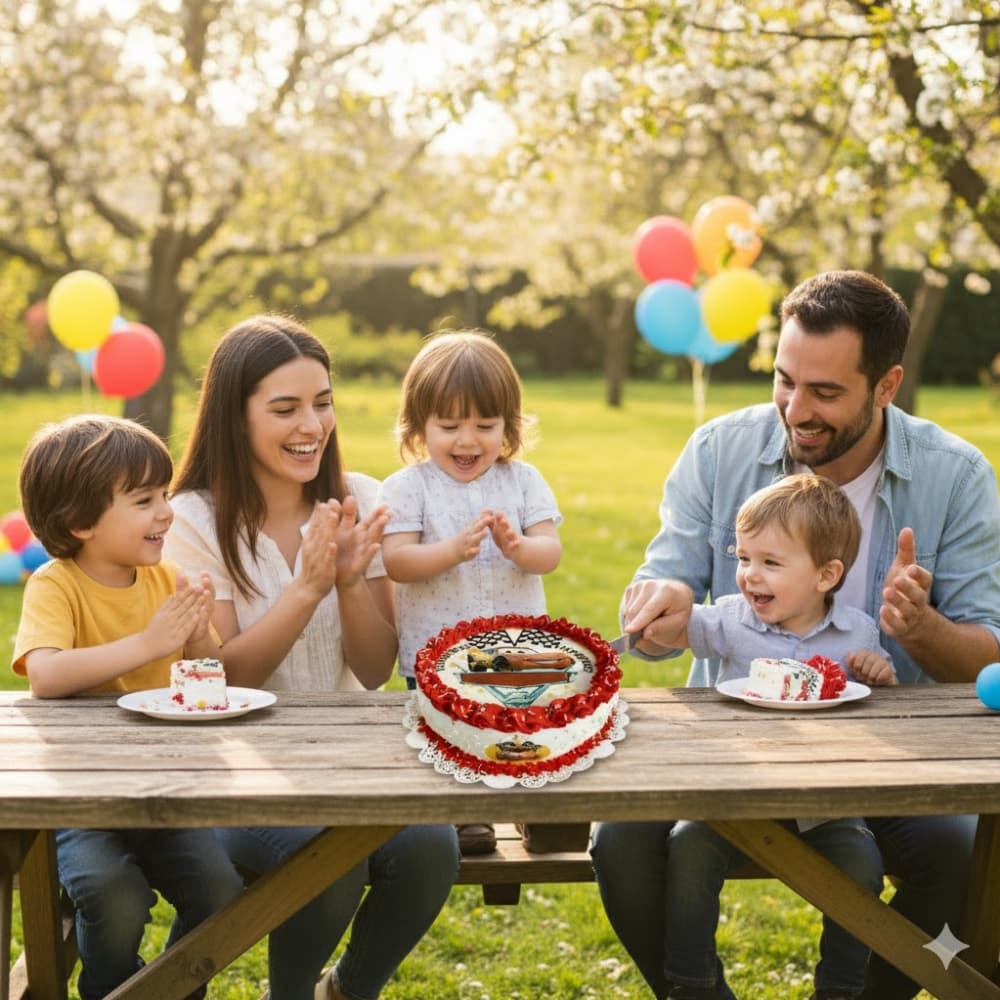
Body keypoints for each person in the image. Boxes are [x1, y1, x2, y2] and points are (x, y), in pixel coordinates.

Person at [592, 270, 1000, 1000]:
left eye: (825, 392)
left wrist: (922, 628)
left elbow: (987, 659)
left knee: (960, 851)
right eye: (785, 381)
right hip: (728, 752)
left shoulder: (956, 476)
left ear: (887, 385)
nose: (795, 409)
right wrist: (666, 607)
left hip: (885, 761)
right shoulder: (721, 451)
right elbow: (664, 603)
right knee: (618, 836)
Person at [165, 314, 459, 1000]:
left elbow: (375, 668)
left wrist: (352, 581)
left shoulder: (362, 497)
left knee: (429, 847)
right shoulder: (191, 520)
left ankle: (346, 991)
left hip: (347, 757)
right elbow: (224, 679)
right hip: (236, 772)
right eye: (285, 408)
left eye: (322, 403)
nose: (311, 425)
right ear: (235, 418)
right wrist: (307, 588)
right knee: (328, 860)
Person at [11, 414, 244, 1000]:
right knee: (110, 892)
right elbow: (44, 674)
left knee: (219, 888)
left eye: (163, 494)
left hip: (167, 788)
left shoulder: (163, 578)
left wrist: (194, 631)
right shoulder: (55, 584)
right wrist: (146, 644)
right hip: (85, 794)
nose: (166, 511)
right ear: (79, 521)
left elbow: (206, 672)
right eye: (144, 500)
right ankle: (110, 988)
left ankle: (168, 985)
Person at [649, 473, 893, 1000]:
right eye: (743, 558)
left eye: (770, 563)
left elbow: (875, 696)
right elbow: (677, 627)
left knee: (862, 862)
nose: (749, 576)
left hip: (824, 798)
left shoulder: (857, 632)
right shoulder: (729, 622)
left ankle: (842, 988)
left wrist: (875, 670)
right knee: (688, 843)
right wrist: (663, 614)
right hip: (733, 794)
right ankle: (691, 982)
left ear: (827, 575)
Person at [378, 330, 562, 855]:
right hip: (438, 646)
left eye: (485, 425)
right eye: (449, 425)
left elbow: (550, 551)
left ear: (508, 426)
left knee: (523, 721)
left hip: (516, 644)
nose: (467, 441)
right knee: (454, 728)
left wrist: (518, 546)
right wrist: (451, 551)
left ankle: (533, 804)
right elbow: (397, 561)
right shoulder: (408, 488)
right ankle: (468, 813)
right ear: (419, 426)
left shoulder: (523, 481)